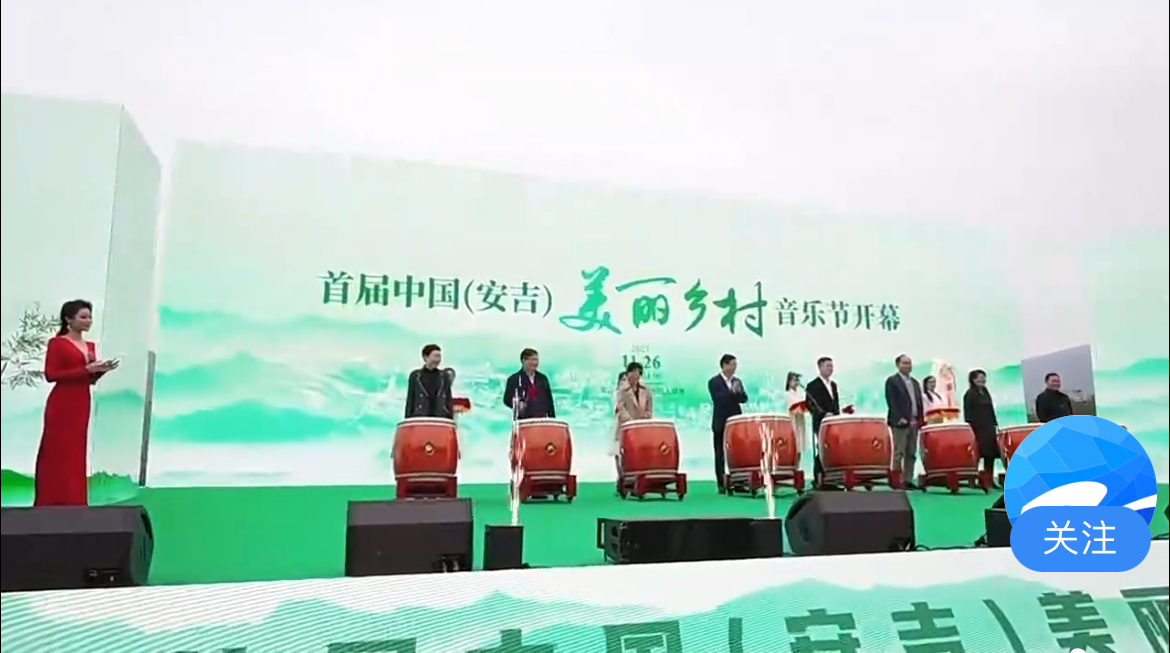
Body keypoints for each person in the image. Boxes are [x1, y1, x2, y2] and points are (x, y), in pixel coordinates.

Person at [36, 299, 118, 506]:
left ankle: (74, 501)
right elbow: (51, 374)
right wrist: (86, 369)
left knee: (75, 451)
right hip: (62, 402)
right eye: (83, 317)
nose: (88, 321)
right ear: (68, 319)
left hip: (82, 401)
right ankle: (50, 501)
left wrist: (100, 371)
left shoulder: (90, 346)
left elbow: (88, 379)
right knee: (57, 450)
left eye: (90, 317)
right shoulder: (57, 343)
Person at [707, 353, 748, 493]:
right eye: (732, 364)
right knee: (719, 453)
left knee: (737, 453)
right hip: (720, 421)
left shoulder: (737, 381)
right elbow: (719, 399)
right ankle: (721, 483)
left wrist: (736, 394)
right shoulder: (714, 382)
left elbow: (744, 398)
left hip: (735, 422)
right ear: (724, 365)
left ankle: (739, 482)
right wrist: (733, 393)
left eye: (736, 365)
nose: (735, 367)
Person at [884, 354, 924, 489]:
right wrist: (899, 417)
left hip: (914, 422)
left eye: (909, 363)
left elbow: (919, 402)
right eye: (905, 363)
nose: (908, 366)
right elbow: (892, 401)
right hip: (900, 422)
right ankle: (896, 480)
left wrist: (920, 419)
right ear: (898, 365)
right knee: (899, 452)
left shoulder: (915, 383)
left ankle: (908, 479)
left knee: (911, 453)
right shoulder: (892, 381)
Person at [804, 356, 841, 486]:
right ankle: (819, 478)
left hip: (834, 423)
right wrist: (823, 414)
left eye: (832, 366)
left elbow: (835, 404)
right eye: (828, 366)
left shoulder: (833, 385)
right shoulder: (812, 385)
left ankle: (832, 478)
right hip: (821, 423)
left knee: (833, 450)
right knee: (822, 449)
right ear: (820, 368)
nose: (831, 368)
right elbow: (810, 405)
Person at [963, 369, 1000, 485]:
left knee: (991, 453)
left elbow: (990, 408)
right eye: (980, 378)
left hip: (989, 426)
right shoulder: (970, 394)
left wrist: (994, 423)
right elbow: (967, 412)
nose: (983, 380)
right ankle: (972, 479)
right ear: (973, 380)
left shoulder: (985, 391)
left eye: (984, 378)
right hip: (977, 427)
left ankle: (989, 478)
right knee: (978, 453)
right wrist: (970, 428)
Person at [502, 348, 556, 419]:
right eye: (532, 359)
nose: (535, 363)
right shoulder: (514, 379)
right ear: (523, 361)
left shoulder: (543, 379)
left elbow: (549, 402)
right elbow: (506, 400)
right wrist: (518, 406)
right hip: (523, 420)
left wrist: (552, 419)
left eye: (536, 360)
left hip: (542, 420)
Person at [404, 344, 453, 418]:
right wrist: (407, 418)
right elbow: (410, 400)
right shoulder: (415, 376)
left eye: (439, 357)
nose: (438, 359)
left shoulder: (444, 376)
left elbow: (448, 400)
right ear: (425, 357)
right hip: (419, 416)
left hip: (441, 417)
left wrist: (450, 418)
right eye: (435, 356)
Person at [784, 372, 808, 458]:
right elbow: (792, 407)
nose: (796, 382)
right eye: (794, 380)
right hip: (793, 420)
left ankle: (798, 464)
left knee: (800, 446)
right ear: (789, 382)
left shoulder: (799, 393)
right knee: (794, 444)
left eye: (797, 380)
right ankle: (794, 464)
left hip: (800, 420)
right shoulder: (787, 394)